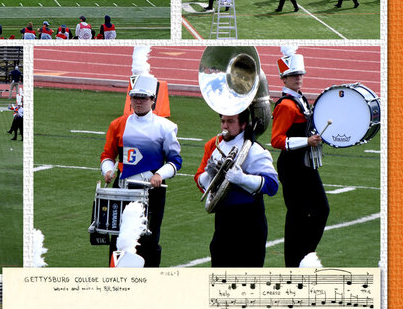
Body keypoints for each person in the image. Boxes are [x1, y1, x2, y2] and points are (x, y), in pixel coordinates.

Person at [100, 69, 182, 267]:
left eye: (143, 98)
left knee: (148, 241)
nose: (138, 102)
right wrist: (108, 170)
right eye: (135, 97)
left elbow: (175, 161)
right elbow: (107, 155)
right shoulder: (118, 124)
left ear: (153, 99)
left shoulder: (166, 127)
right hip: (122, 191)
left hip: (151, 192)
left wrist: (160, 175)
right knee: (119, 240)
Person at [194, 112, 279, 266]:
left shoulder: (254, 149)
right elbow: (200, 181)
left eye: (230, 122)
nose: (225, 126)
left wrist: (242, 178)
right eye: (223, 121)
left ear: (243, 124)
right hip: (223, 219)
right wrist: (209, 176)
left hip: (249, 220)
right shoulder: (214, 145)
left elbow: (272, 185)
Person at [270, 47, 329, 266]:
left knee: (318, 210)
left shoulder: (300, 99)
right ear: (284, 79)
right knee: (298, 215)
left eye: (300, 74)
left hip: (304, 164)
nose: (298, 78)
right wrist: (307, 141)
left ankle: (302, 257)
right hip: (293, 167)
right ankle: (295, 262)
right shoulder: (286, 105)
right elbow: (277, 140)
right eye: (293, 75)